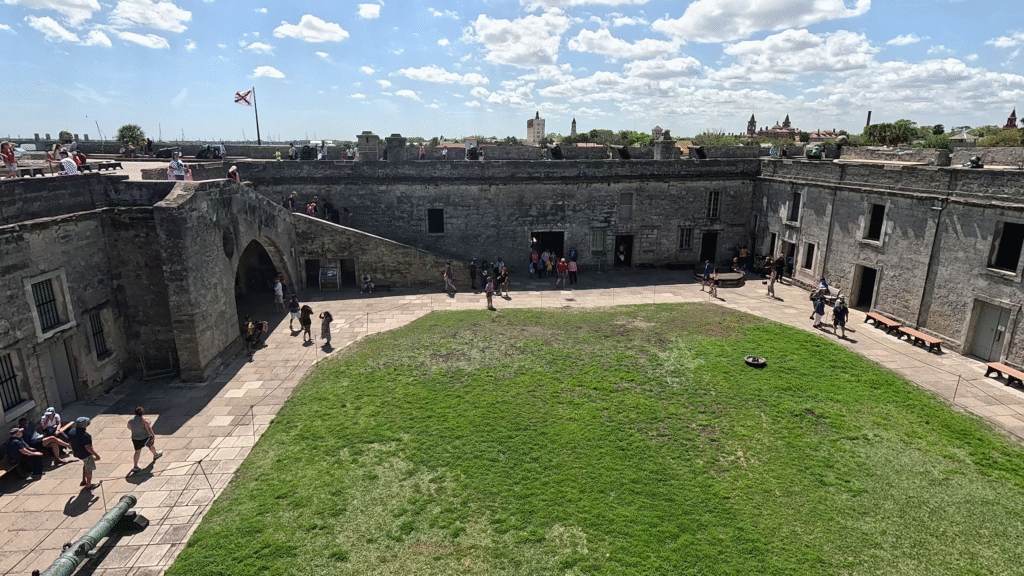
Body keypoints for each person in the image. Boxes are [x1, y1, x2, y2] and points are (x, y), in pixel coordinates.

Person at [68, 417, 101, 488]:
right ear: (84, 424)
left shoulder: (72, 431)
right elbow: (88, 447)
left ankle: (83, 480)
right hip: (86, 454)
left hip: (77, 453)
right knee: (89, 469)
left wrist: (73, 451)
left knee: (85, 464)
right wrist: (96, 455)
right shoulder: (86, 436)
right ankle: (88, 485)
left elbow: (70, 444)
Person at [127, 407, 163, 474]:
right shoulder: (144, 421)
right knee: (151, 446)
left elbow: (129, 427)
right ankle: (155, 454)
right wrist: (152, 435)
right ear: (142, 413)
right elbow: (148, 429)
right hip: (145, 437)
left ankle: (135, 466)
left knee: (137, 452)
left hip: (135, 438)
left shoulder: (130, 421)